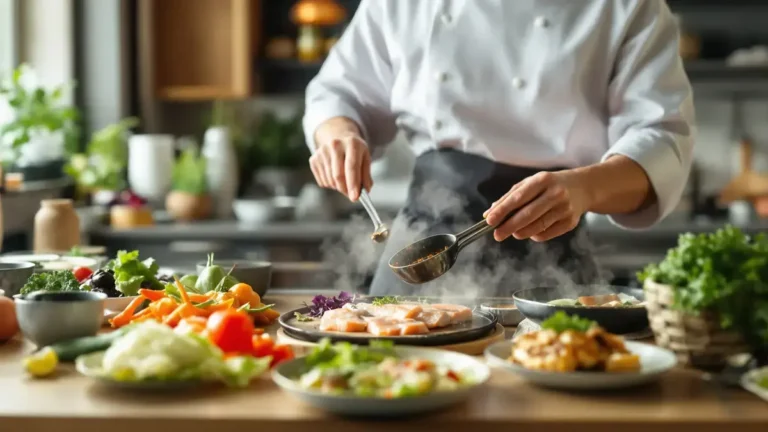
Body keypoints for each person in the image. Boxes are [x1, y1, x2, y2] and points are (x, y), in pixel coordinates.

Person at [303, 0, 695, 296]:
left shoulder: (629, 6)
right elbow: (339, 92)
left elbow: (662, 139)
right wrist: (338, 134)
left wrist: (584, 189)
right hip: (423, 246)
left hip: (553, 253)